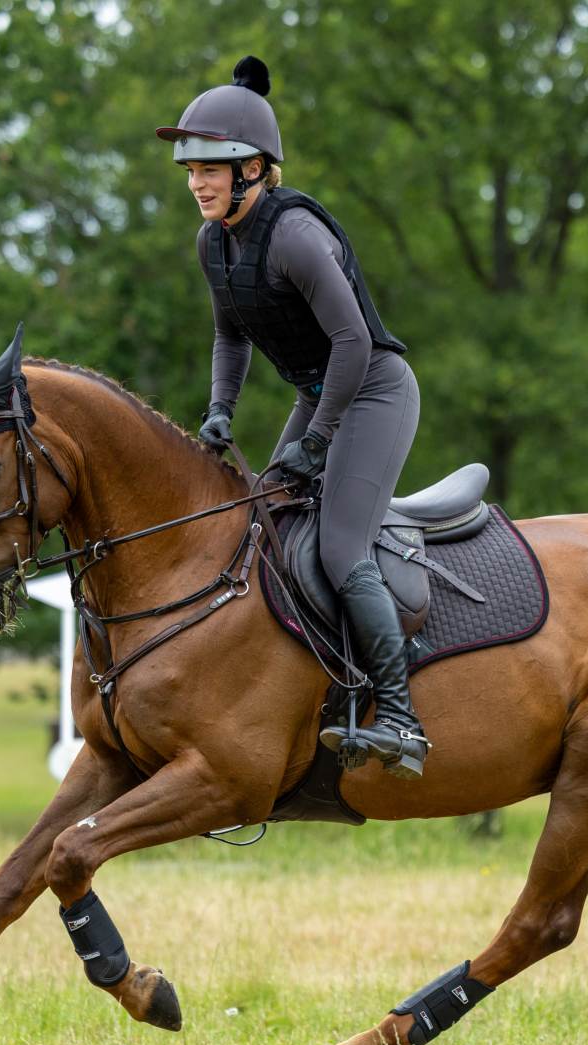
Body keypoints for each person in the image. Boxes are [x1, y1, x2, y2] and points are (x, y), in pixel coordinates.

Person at [156, 56, 430, 780]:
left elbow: (352, 343)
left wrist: (317, 441)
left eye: (212, 168)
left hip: (373, 389)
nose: (197, 182)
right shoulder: (213, 242)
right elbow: (229, 335)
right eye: (190, 169)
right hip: (320, 392)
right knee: (258, 527)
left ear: (254, 168)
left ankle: (400, 713)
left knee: (341, 549)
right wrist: (220, 410)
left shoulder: (295, 236)